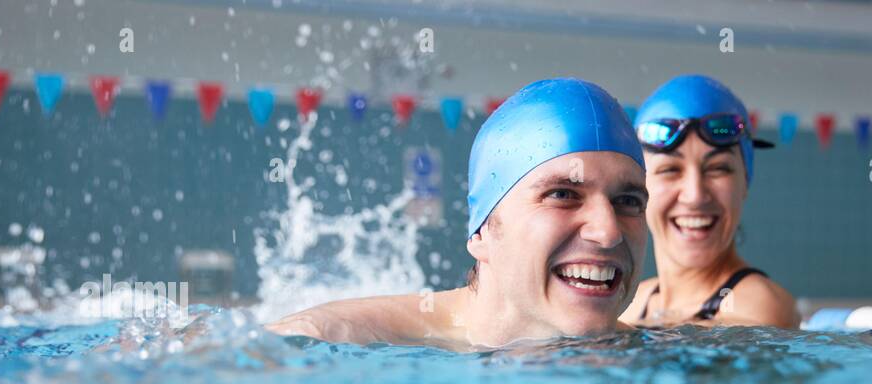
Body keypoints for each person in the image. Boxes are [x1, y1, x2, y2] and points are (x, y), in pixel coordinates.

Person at [267, 77, 649, 349]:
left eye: (628, 201)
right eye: (563, 194)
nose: (607, 231)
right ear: (482, 231)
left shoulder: (657, 356)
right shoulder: (333, 341)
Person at [619, 75, 797, 330]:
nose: (695, 195)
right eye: (670, 169)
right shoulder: (634, 302)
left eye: (717, 169)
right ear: (639, 187)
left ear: (745, 180)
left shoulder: (758, 304)